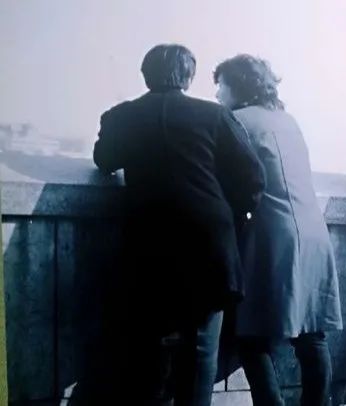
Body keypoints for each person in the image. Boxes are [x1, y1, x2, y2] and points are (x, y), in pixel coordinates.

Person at [92, 44, 265, 406]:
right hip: (209, 245)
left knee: (149, 349)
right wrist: (230, 217)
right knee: (201, 350)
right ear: (188, 77)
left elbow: (104, 159)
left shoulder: (122, 116)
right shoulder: (215, 116)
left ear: (145, 75)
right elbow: (252, 178)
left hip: (149, 248)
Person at [214, 54, 343, 406]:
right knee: (312, 335)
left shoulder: (234, 120)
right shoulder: (287, 120)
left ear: (237, 86)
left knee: (251, 334)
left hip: (270, 234)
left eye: (221, 85)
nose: (218, 94)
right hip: (312, 231)